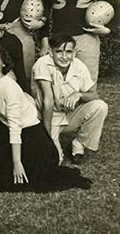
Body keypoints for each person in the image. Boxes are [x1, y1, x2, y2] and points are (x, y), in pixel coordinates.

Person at [0, 42, 91, 193]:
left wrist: (17, 162)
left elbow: (15, 128)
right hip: (8, 130)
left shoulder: (9, 88)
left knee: (13, 179)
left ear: (3, 64)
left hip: (30, 137)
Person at [32, 33, 108, 165]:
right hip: (48, 115)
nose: (64, 57)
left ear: (74, 52)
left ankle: (78, 145)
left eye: (68, 52)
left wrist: (79, 95)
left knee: (100, 106)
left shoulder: (79, 65)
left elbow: (93, 95)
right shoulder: (42, 63)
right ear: (50, 51)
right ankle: (50, 143)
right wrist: (48, 135)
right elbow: (48, 100)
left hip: (69, 114)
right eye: (59, 52)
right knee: (54, 161)